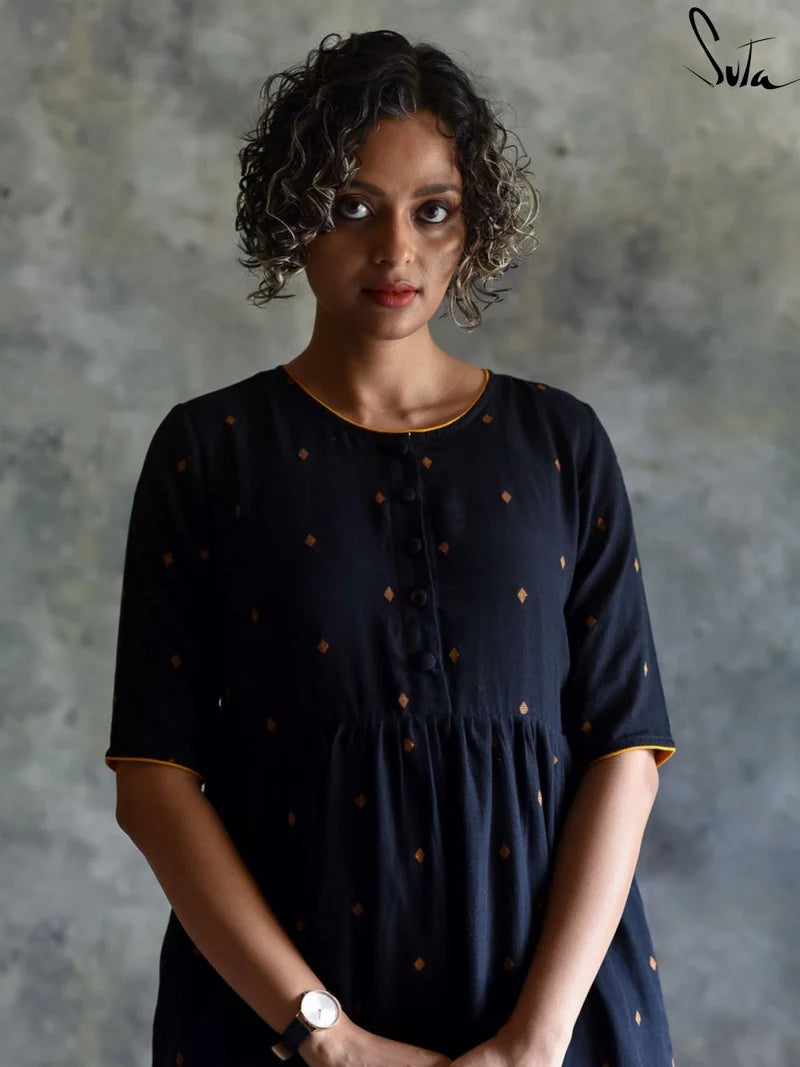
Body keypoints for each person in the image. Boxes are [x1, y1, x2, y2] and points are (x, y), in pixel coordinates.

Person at [105, 29, 678, 1067]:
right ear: (294, 213)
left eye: (432, 210)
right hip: (276, 1029)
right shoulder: (211, 451)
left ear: (473, 223)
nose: (395, 253)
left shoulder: (559, 442)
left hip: (556, 1021)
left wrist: (530, 1044)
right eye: (351, 206)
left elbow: (624, 751)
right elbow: (153, 778)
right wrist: (328, 1036)